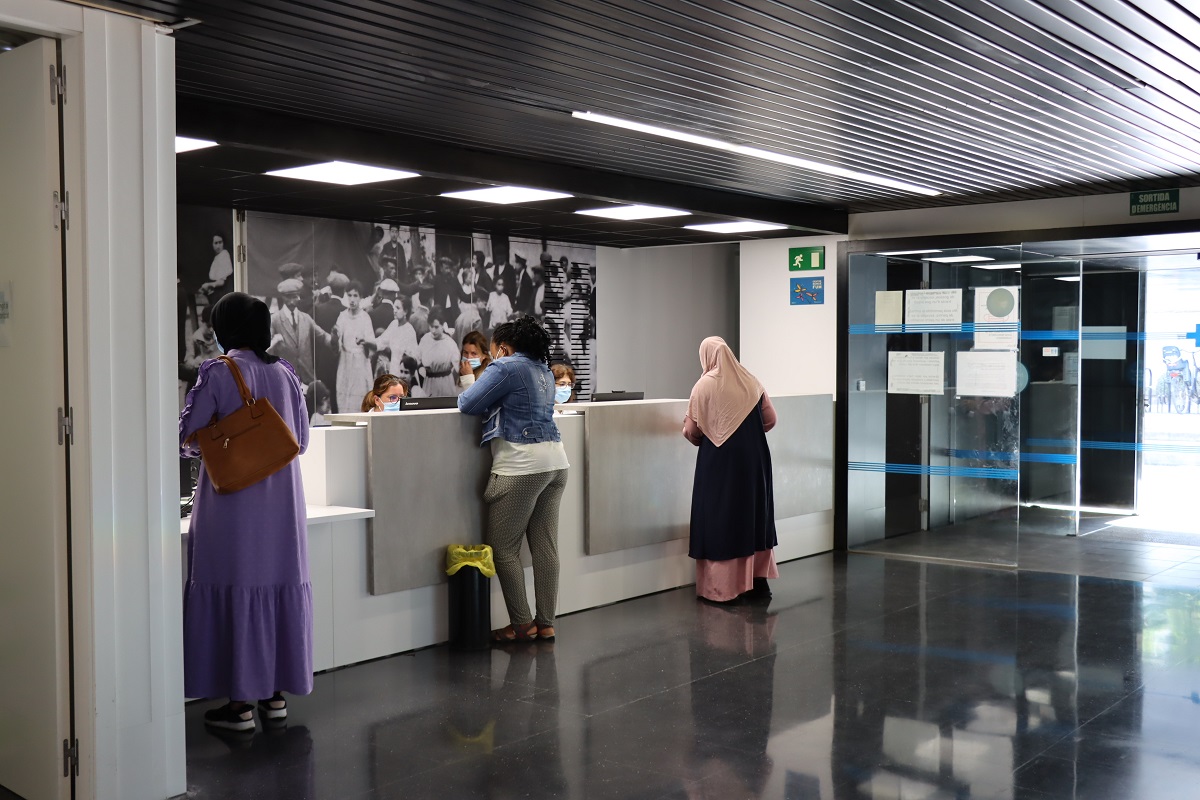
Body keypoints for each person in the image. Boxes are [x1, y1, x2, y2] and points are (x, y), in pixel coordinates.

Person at [178, 292, 312, 732]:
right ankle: (274, 696)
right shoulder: (286, 372)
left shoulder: (218, 371)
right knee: (274, 586)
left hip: (234, 502)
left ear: (222, 329)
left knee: (236, 585)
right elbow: (301, 440)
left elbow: (189, 436)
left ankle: (239, 706)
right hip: (283, 502)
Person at [457, 317, 569, 643]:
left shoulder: (505, 367)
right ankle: (545, 623)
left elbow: (467, 403)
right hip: (556, 464)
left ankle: (521, 625)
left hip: (521, 466)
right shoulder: (544, 370)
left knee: (503, 548)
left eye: (493, 351)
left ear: (503, 348)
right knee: (545, 547)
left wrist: (472, 379)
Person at [682, 336, 778, 604]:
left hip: (719, 461)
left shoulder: (704, 385)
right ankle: (758, 582)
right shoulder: (751, 380)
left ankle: (722, 589)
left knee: (719, 514)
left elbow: (692, 431)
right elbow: (770, 419)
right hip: (755, 458)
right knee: (754, 512)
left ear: (706, 357)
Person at [269, 278, 332, 387]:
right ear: (284, 298)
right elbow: (265, 350)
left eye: (297, 296)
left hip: (308, 378)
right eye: (292, 296)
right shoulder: (275, 320)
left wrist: (336, 339)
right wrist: (274, 342)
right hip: (285, 379)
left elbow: (323, 337)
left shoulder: (306, 319)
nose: (297, 299)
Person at [333, 281, 376, 415]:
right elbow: (337, 341)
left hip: (360, 365)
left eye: (355, 295)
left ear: (361, 297)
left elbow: (373, 343)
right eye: (349, 295)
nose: (352, 299)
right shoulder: (342, 316)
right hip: (345, 364)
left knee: (360, 398)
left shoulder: (365, 318)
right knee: (344, 399)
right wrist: (335, 336)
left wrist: (365, 342)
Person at [417, 307, 460, 397]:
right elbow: (418, 360)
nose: (433, 330)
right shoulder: (425, 340)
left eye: (436, 327)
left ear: (442, 325)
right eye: (431, 326)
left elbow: (458, 367)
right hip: (429, 383)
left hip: (445, 384)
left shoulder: (449, 343)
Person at [199, 233, 234, 303]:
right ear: (212, 244)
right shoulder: (216, 257)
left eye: (220, 242)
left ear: (223, 243)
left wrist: (208, 285)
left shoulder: (224, 255)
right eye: (216, 243)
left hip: (223, 294)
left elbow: (221, 282)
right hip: (217, 293)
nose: (218, 246)